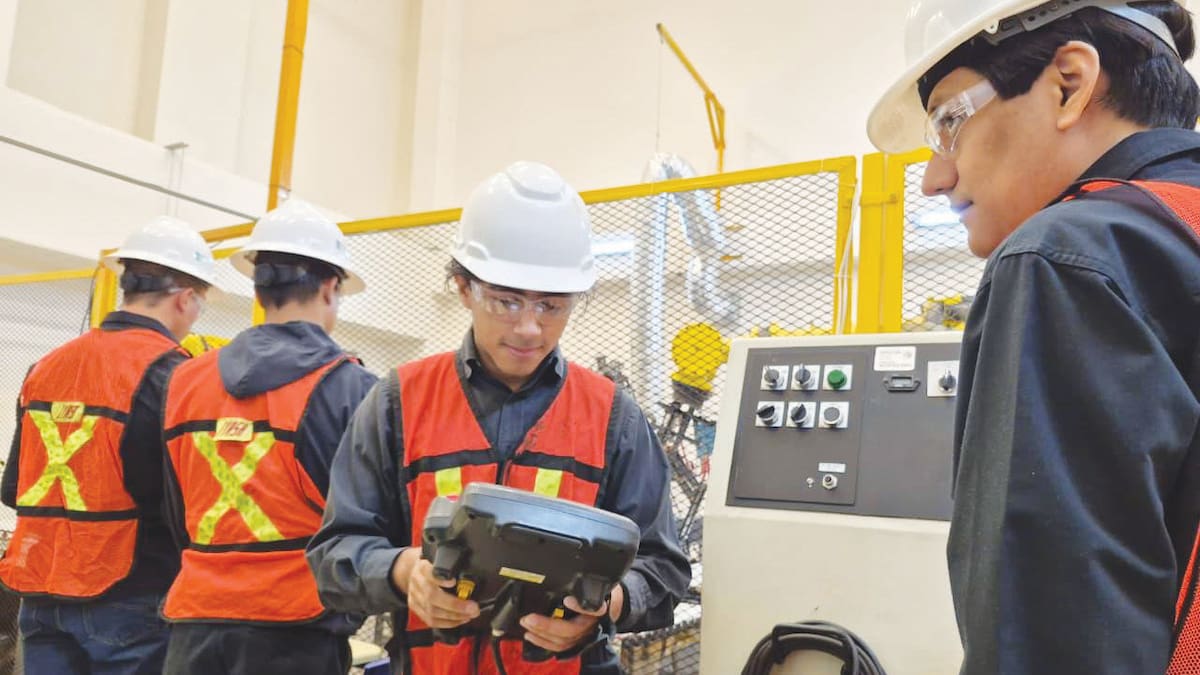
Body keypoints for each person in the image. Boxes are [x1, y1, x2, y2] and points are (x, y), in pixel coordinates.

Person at [867, 1, 1200, 672]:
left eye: (950, 122)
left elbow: (1055, 640)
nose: (934, 178)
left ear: (1069, 84)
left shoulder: (1065, 257)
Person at [307, 160, 691, 674]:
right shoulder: (399, 402)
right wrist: (404, 572)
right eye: (507, 302)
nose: (530, 327)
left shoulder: (613, 417)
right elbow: (335, 554)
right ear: (464, 288)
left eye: (552, 306)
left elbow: (663, 569)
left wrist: (606, 607)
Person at [159, 199, 377, 675]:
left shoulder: (185, 380)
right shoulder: (350, 388)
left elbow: (176, 508)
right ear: (330, 287)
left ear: (259, 288)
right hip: (298, 626)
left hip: (195, 623)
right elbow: (368, 522)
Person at [0, 216, 215, 674]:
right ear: (185, 298)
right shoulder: (175, 375)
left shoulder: (46, 366)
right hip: (131, 595)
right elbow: (182, 507)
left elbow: (14, 488)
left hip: (41, 589)